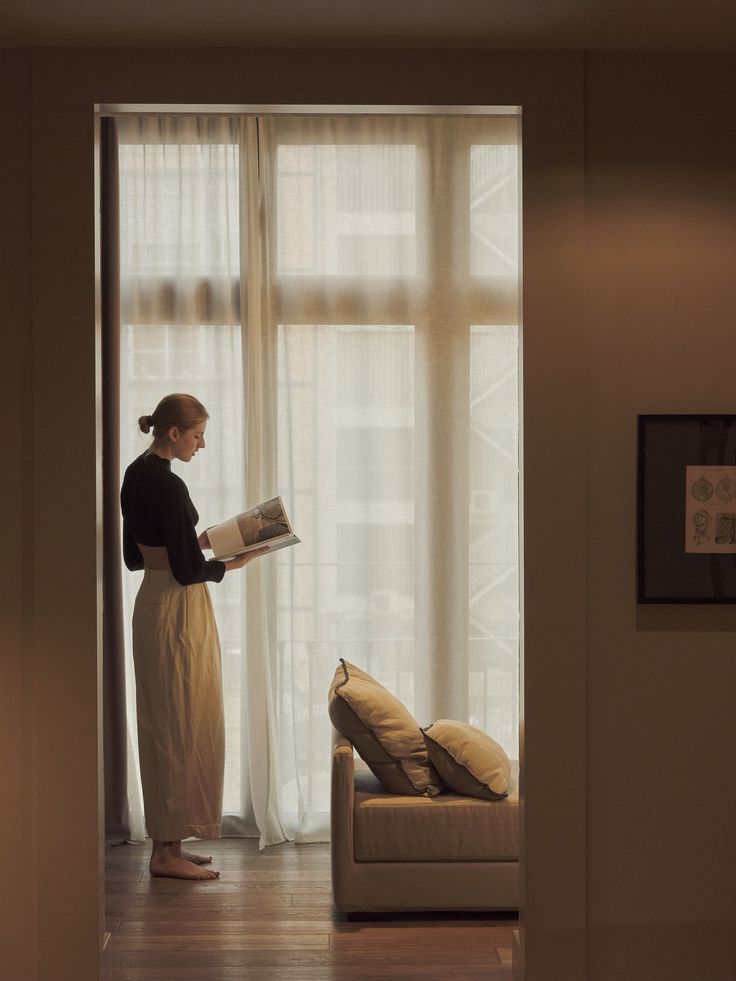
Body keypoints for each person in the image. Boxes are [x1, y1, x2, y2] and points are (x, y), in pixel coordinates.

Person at [120, 393, 266, 880]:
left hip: (151, 602)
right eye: (198, 435)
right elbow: (187, 570)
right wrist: (230, 563)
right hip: (179, 611)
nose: (202, 445)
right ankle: (164, 854)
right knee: (183, 722)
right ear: (174, 433)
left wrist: (195, 542)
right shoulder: (168, 484)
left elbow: (136, 557)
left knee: (169, 722)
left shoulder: (135, 473)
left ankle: (171, 843)